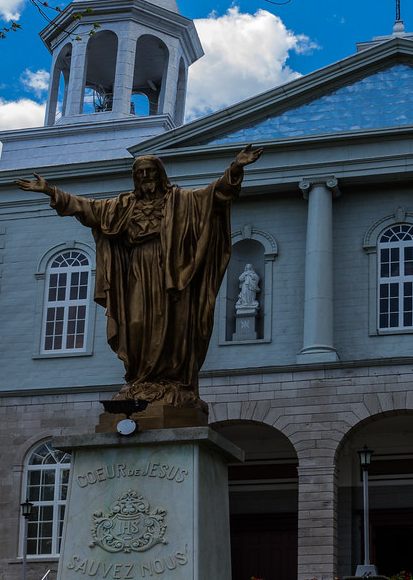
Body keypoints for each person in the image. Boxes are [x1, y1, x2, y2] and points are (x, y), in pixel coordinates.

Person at [15, 145, 262, 409]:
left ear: (160, 174)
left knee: (172, 324)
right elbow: (86, 208)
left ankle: (170, 381)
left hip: (170, 271)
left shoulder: (181, 200)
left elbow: (215, 194)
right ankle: (139, 379)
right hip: (136, 269)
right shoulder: (122, 206)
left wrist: (236, 168)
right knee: (135, 322)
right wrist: (51, 191)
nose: (146, 177)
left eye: (150, 171)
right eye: (140, 172)